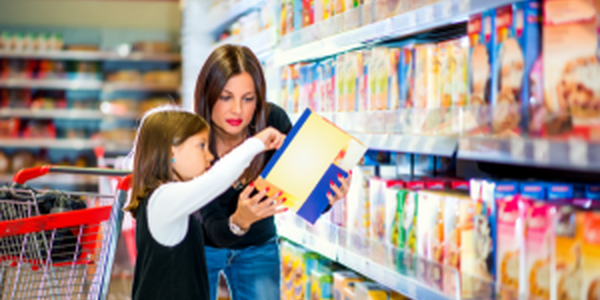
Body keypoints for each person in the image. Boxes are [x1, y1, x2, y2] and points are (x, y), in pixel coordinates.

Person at [194, 44, 351, 300]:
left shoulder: (272, 120)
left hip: (258, 245)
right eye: (225, 97)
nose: (237, 110)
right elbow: (213, 229)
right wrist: (239, 221)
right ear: (207, 95)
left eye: (248, 98)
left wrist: (326, 196)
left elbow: (299, 188)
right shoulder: (194, 139)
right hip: (200, 246)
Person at [124, 106, 286, 300]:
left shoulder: (168, 201)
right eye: (201, 146)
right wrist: (258, 142)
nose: (209, 156)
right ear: (171, 150)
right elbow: (218, 178)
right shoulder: (163, 200)